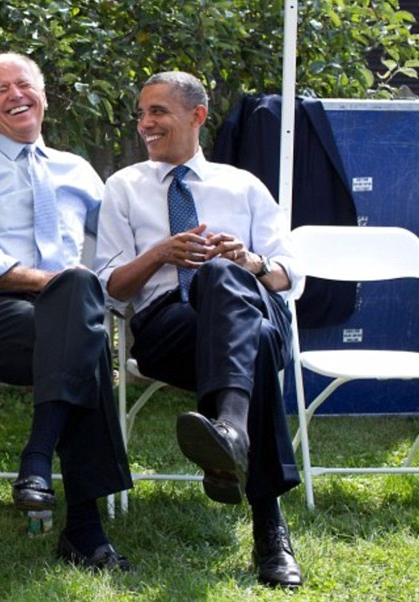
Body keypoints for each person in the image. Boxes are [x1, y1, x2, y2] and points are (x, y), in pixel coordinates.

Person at [94, 71, 304, 588]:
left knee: (223, 278)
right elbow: (110, 287)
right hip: (170, 328)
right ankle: (269, 525)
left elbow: (290, 274)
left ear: (197, 116)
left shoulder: (243, 184)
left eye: (157, 111)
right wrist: (160, 254)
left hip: (253, 306)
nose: (145, 123)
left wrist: (248, 262)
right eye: (141, 113)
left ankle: (231, 433)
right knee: (251, 340)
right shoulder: (124, 187)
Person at [0, 52, 132, 573]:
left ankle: (38, 466)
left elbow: (118, 245)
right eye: (0, 90)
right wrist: (57, 284)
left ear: (43, 97)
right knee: (83, 332)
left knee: (80, 324)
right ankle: (84, 528)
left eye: (23, 84)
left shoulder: (79, 171)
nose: (15, 95)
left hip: (66, 317)